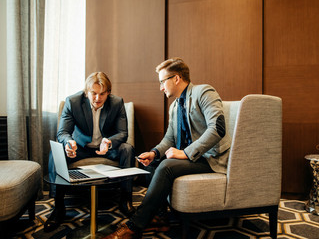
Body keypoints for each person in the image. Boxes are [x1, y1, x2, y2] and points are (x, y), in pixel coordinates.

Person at [103, 58, 231, 239]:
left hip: (211, 159)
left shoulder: (204, 92)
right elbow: (169, 138)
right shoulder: (174, 106)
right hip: (191, 159)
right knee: (150, 164)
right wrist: (154, 152)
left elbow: (217, 129)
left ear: (176, 78)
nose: (161, 87)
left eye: (162, 82)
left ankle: (134, 226)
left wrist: (185, 153)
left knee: (166, 167)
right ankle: (160, 218)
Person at [45, 72, 135, 232]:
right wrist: (69, 142)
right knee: (55, 153)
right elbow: (62, 133)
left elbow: (123, 133)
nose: (97, 98)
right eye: (93, 93)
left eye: (102, 94)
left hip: (106, 148)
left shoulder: (117, 103)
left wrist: (109, 142)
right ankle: (58, 206)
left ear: (108, 92)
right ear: (86, 92)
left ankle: (125, 199)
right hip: (80, 148)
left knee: (127, 149)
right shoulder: (72, 102)